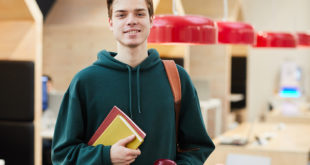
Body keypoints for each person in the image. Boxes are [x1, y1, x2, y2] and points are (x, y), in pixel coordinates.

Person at [51, 0, 215, 164]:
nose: (131, 20)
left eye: (140, 13)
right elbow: (62, 155)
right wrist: (106, 156)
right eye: (121, 15)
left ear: (151, 20)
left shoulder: (177, 78)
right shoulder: (84, 82)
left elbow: (197, 147)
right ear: (111, 22)